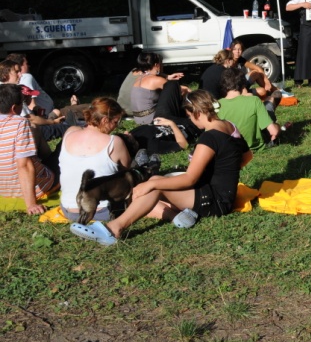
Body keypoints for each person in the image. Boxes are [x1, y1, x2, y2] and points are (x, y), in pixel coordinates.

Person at [69, 90, 253, 246]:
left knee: (154, 187)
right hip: (222, 195)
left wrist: (151, 185)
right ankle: (176, 216)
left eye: (189, 116)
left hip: (214, 201)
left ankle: (113, 229)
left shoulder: (209, 138)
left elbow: (190, 179)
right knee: (155, 182)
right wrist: (223, 170)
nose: (191, 120)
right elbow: (247, 157)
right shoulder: (229, 126)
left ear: (197, 113)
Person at [58, 97, 132, 222]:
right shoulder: (114, 142)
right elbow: (127, 173)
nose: (115, 127)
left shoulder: (70, 132)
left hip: (68, 209)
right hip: (101, 211)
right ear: (105, 120)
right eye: (115, 122)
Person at [0, 84, 59, 215]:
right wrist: (31, 204)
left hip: (3, 190)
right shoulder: (20, 123)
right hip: (33, 187)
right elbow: (24, 165)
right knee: (62, 147)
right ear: (14, 108)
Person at [217, 67, 279, 151]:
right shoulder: (254, 100)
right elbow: (274, 132)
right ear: (243, 85)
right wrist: (277, 127)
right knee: (270, 101)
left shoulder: (217, 105)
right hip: (254, 146)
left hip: (229, 149)